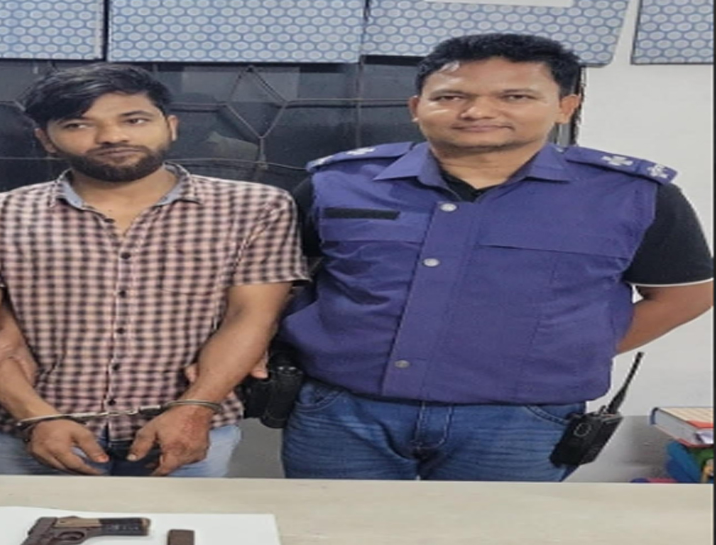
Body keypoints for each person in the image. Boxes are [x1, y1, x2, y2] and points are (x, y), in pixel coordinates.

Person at [280, 33, 714, 482]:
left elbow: (686, 297)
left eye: (515, 96)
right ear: (416, 107)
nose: (477, 112)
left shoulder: (632, 196)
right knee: (333, 525)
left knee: (494, 529)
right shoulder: (339, 183)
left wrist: (572, 349)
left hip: (521, 420)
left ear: (566, 106)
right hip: (344, 411)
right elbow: (275, 281)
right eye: (451, 97)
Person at [0, 63, 308, 477]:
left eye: (134, 120)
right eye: (78, 125)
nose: (112, 136)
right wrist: (36, 416)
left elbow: (252, 315)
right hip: (33, 429)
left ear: (170, 126)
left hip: (184, 426)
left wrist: (196, 407)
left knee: (180, 521)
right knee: (27, 520)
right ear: (46, 140)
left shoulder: (255, 209)